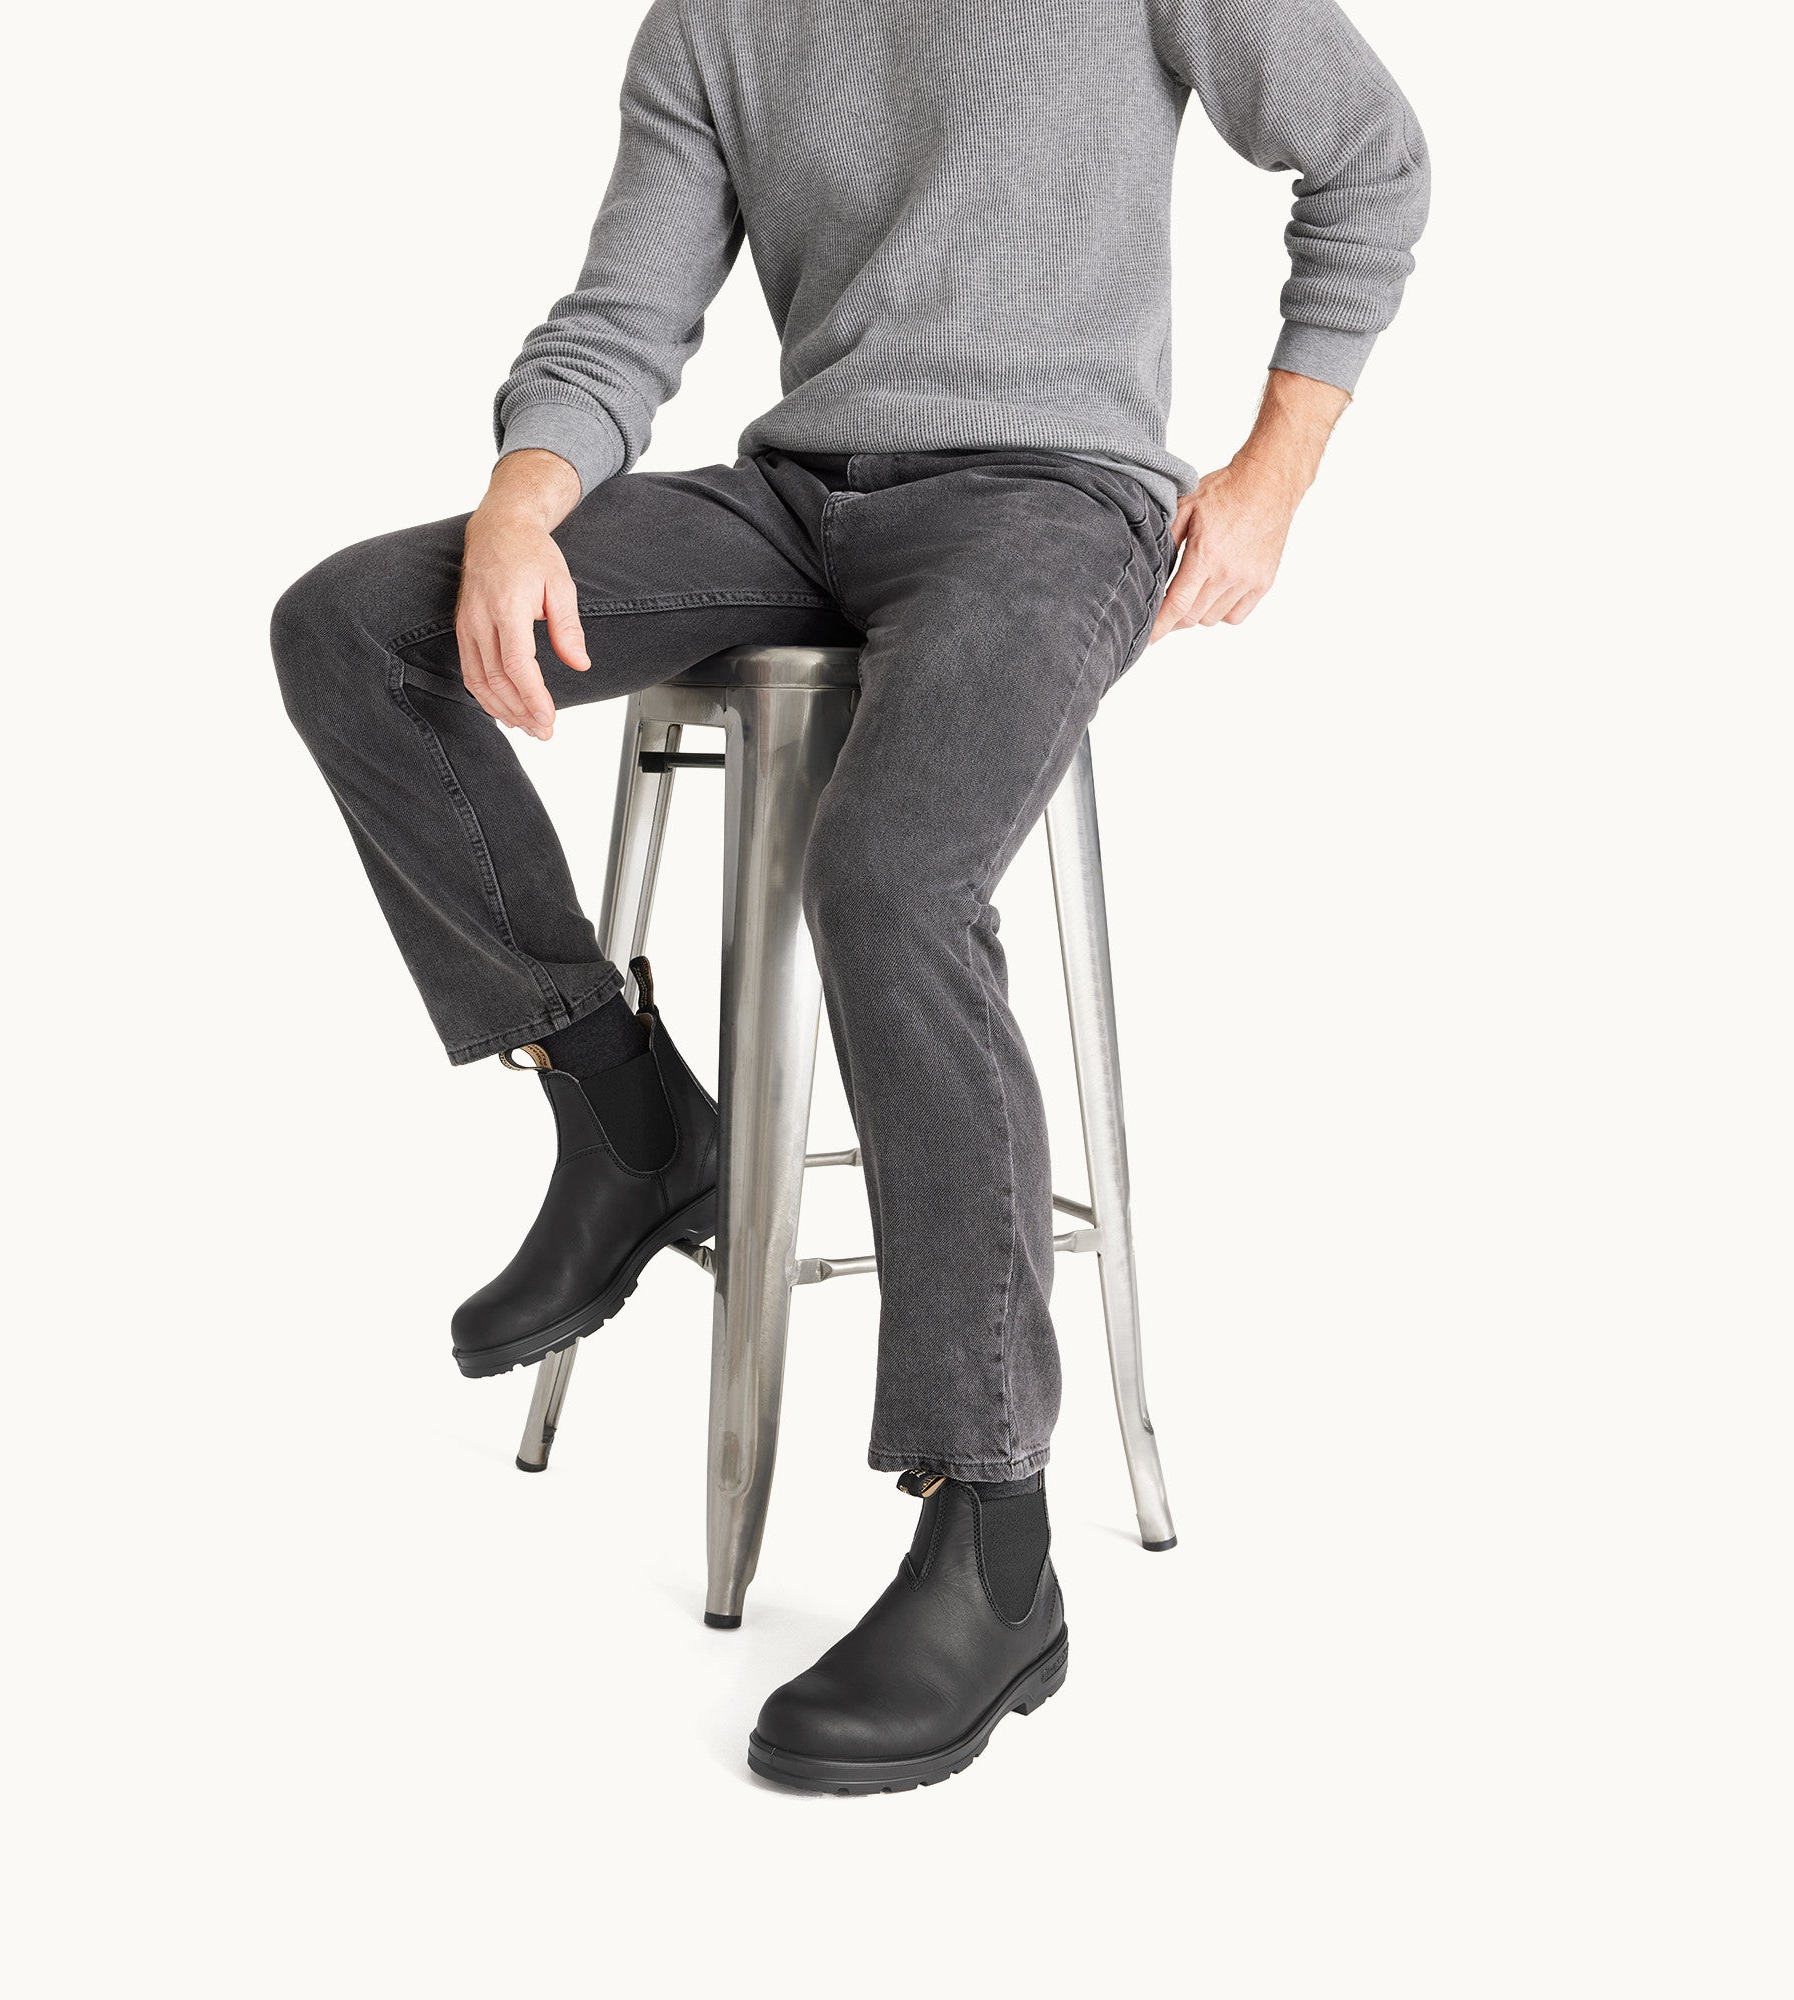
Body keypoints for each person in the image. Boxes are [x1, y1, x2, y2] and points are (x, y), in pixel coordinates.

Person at [271, 0, 1427, 1794]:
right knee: (354, 623)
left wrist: (1272, 476)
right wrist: (519, 503)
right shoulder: (713, 22)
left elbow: (1371, 161)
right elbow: (626, 317)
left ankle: (993, 1539)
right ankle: (628, 1116)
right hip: (795, 502)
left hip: (1051, 502)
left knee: (889, 876)